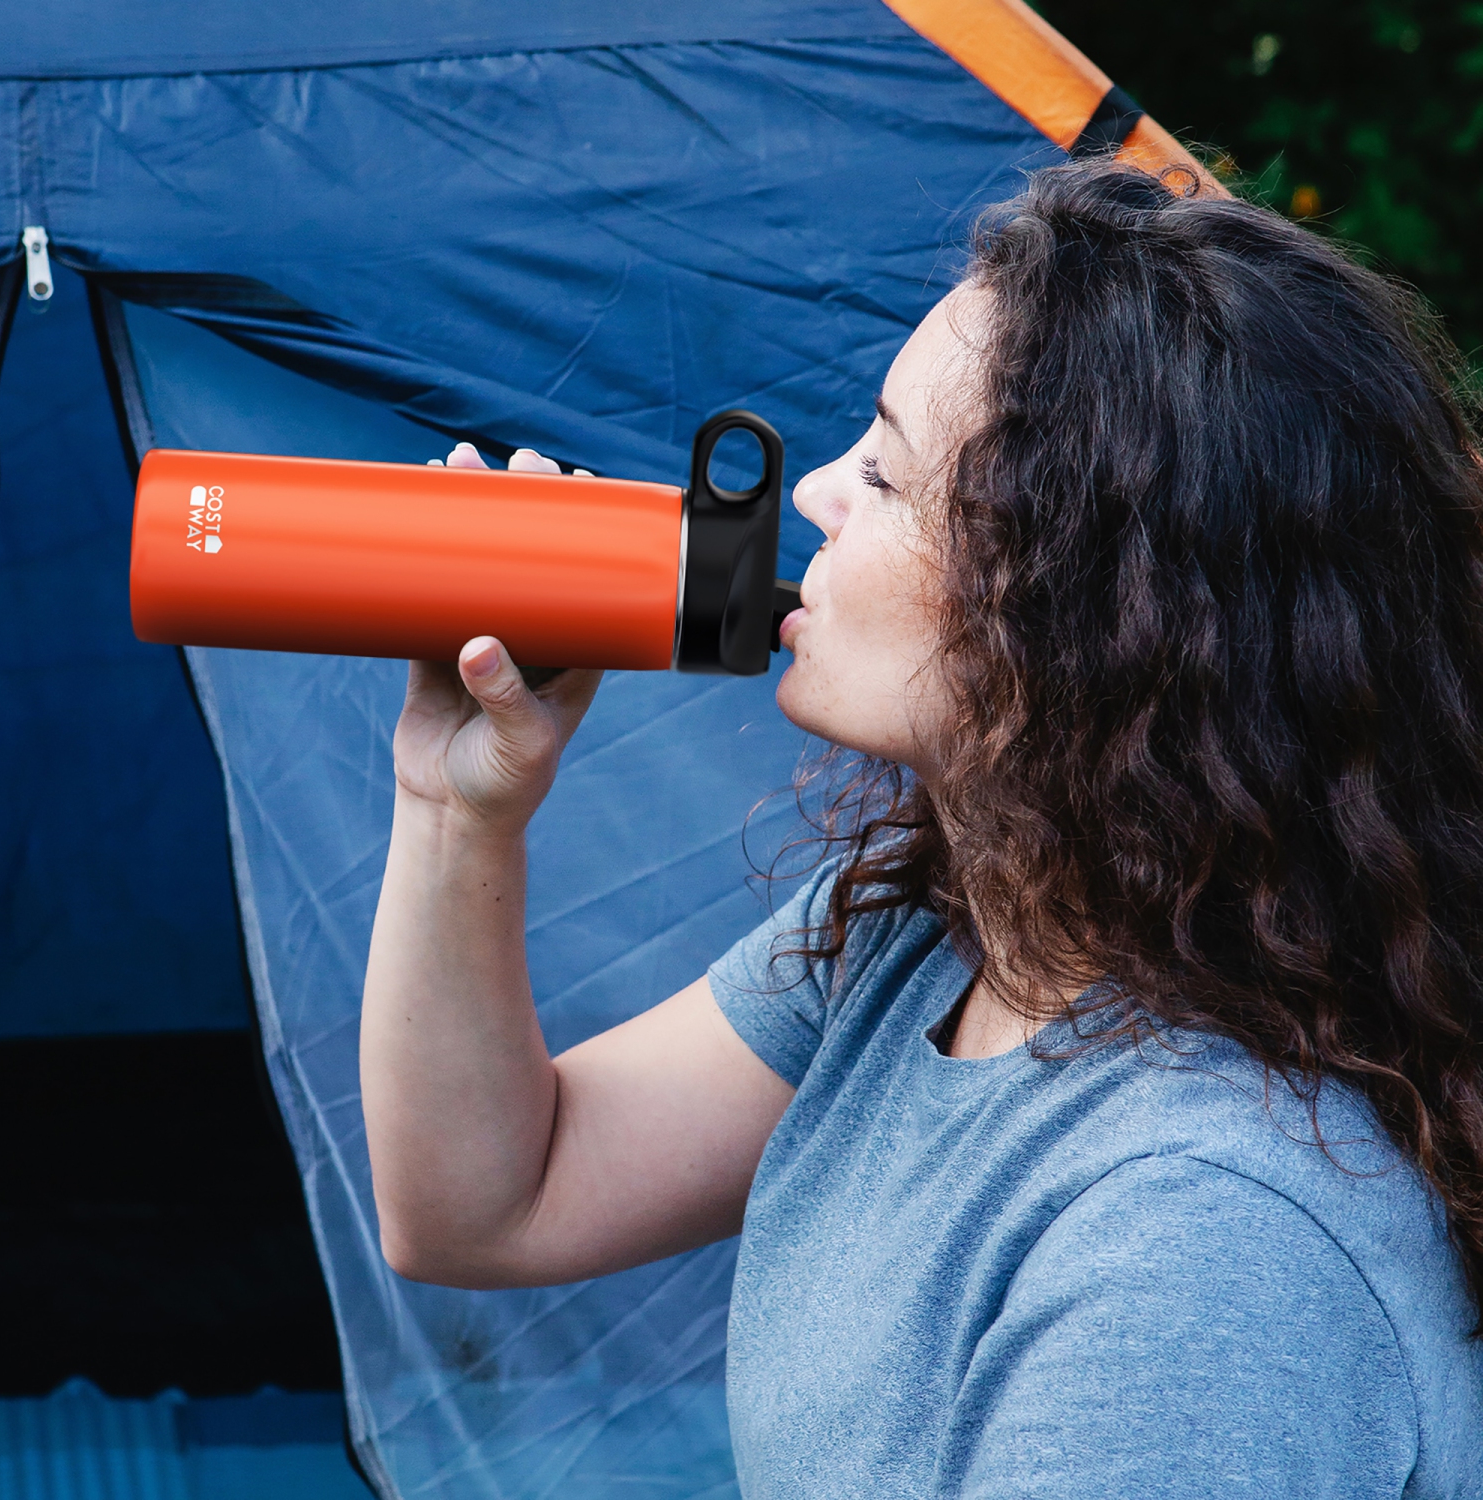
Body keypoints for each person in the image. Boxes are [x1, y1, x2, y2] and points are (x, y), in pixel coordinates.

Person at [359, 160, 1483, 1497]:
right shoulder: (945, 928)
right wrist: (456, 806)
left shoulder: (1201, 1240)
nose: (821, 492)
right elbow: (490, 1203)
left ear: (1086, 613)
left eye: (887, 477)